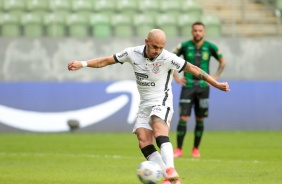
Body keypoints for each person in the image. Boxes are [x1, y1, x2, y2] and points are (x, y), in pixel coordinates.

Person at [68, 29, 230, 184]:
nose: (157, 51)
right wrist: (82, 64)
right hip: (145, 103)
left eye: (161, 47)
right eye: (154, 47)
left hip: (162, 101)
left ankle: (170, 169)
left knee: (158, 127)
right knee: (143, 140)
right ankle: (170, 178)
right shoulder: (132, 53)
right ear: (146, 42)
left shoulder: (168, 57)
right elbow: (105, 61)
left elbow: (193, 69)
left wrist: (215, 84)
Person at [172, 22, 226, 158]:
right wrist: (177, 78)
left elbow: (223, 62)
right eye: (195, 30)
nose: (198, 33)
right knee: (183, 117)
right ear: (192, 32)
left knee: (200, 118)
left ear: (204, 32)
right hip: (188, 86)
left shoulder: (210, 47)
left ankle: (195, 149)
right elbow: (170, 60)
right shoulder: (184, 46)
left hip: (203, 87)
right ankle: (178, 149)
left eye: (200, 30)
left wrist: (215, 77)